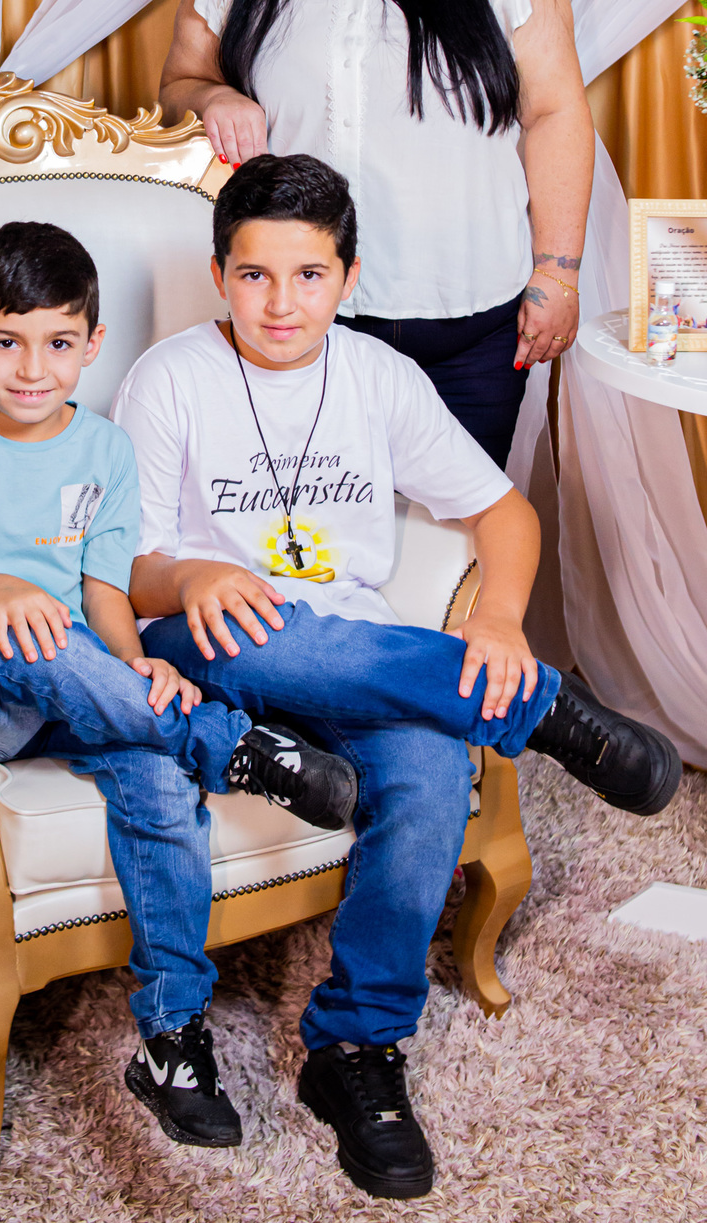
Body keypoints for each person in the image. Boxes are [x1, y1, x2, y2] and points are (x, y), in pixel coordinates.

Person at [113, 153, 680, 1200]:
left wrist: (499, 620)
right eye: (254, 275)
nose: (281, 303)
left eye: (309, 275)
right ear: (218, 274)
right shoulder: (170, 377)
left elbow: (502, 512)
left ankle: (355, 1048)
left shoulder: (378, 374)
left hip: (358, 655)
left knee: (425, 772)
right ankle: (545, 709)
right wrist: (191, 572)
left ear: (350, 276)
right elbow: (129, 567)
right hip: (214, 647)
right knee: (265, 631)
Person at [0, 221, 358, 1150]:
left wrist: (137, 660)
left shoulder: (103, 448)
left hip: (93, 683)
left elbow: (105, 590)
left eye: (58, 343)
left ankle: (172, 1038)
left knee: (156, 777)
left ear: (92, 344)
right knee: (40, 643)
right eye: (6, 342)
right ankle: (234, 745)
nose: (33, 368)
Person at [159, 0, 595, 468]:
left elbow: (554, 110)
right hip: (302, 324)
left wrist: (558, 272)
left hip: (474, 327)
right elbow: (176, 88)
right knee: (310, 526)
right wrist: (211, 96)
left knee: (461, 529)